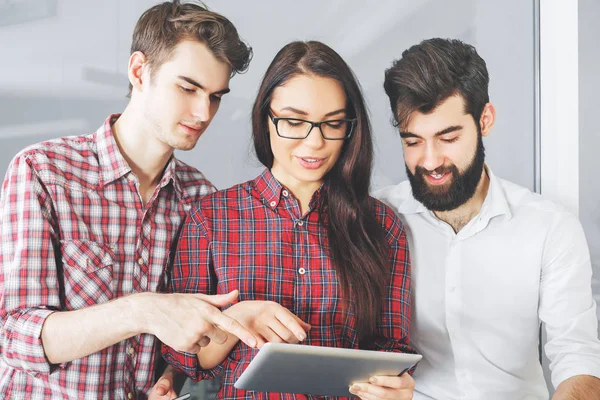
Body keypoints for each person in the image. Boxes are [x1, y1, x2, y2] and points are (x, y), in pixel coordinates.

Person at [0, 1, 258, 399]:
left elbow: (190, 335)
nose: (203, 112)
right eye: (187, 88)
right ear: (139, 71)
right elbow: (14, 336)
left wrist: (172, 376)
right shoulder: (42, 172)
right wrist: (142, 310)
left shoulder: (201, 200)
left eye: (216, 96)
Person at [161, 40, 416, 400]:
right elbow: (188, 358)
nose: (314, 143)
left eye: (333, 124)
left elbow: (393, 346)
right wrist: (240, 319)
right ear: (266, 118)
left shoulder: (381, 225)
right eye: (294, 122)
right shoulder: (212, 219)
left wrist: (394, 385)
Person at [375, 37, 600, 399]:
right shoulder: (377, 219)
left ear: (485, 120)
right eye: (413, 141)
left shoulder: (549, 228)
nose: (430, 161)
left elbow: (578, 358)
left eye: (447, 137)